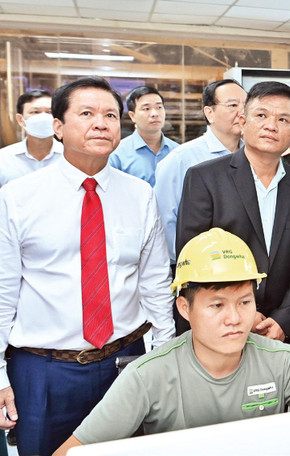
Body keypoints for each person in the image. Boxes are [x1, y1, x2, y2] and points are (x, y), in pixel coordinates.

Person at [0, 77, 174, 456]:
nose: (101, 123)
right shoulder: (18, 197)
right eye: (86, 113)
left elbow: (156, 284)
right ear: (58, 127)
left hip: (126, 363)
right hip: (44, 370)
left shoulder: (140, 195)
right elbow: (3, 290)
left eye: (110, 115)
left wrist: (163, 359)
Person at [53, 228, 290, 454]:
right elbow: (71, 452)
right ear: (185, 309)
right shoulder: (146, 376)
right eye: (217, 305)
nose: (234, 318)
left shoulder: (283, 361)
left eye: (245, 302)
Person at [177, 81, 290, 344]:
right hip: (218, 323)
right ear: (243, 122)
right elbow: (192, 256)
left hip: (276, 330)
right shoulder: (205, 178)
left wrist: (283, 320)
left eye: (283, 119)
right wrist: (246, 312)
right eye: (261, 115)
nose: (271, 126)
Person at [154, 79, 247, 264]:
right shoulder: (181, 159)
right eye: (233, 105)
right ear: (209, 113)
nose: (242, 112)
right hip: (197, 268)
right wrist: (187, 264)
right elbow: (165, 222)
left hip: (246, 265)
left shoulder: (253, 156)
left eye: (246, 105)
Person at [108, 86, 179, 186]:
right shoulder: (117, 154)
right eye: (146, 109)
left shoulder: (177, 151)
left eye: (159, 107)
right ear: (132, 116)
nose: (154, 113)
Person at [0, 89, 63, 187]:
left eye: (49, 112)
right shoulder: (4, 158)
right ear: (20, 120)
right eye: (35, 112)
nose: (43, 117)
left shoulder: (71, 156)